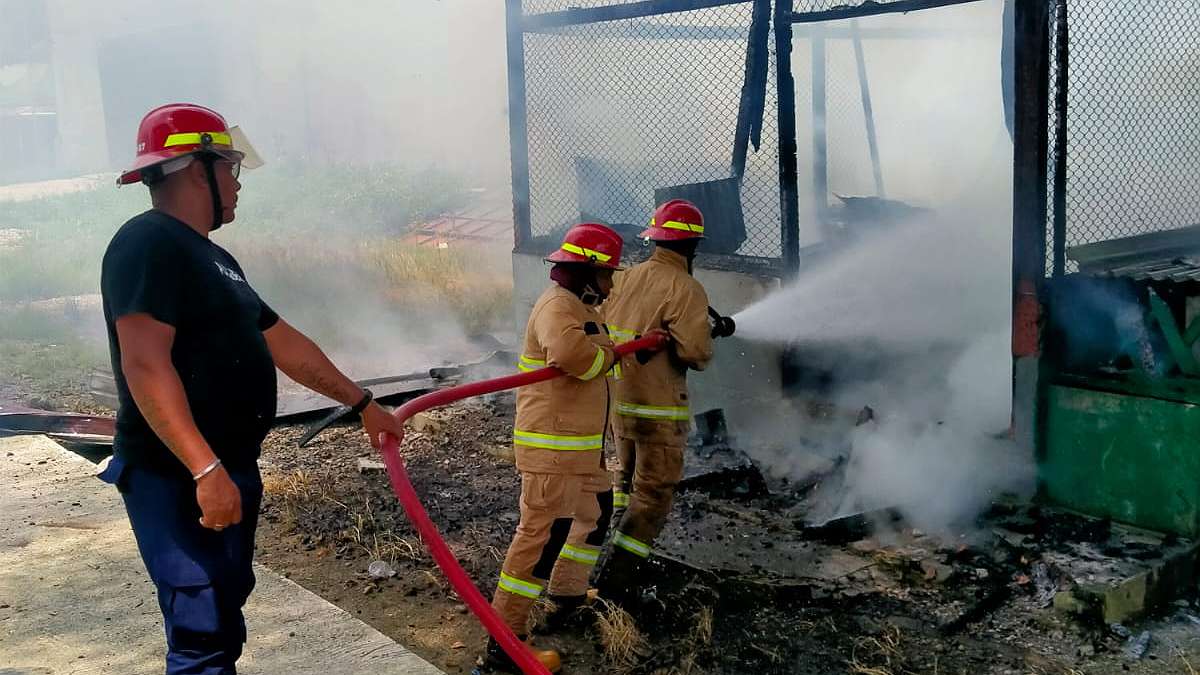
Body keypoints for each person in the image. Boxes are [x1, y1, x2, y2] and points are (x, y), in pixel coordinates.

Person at [98, 103, 403, 675]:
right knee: (201, 628)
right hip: (176, 477)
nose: (237, 185)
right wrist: (204, 470)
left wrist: (362, 403)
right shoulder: (146, 244)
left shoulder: (215, 259)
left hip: (227, 466)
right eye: (231, 168)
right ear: (197, 168)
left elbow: (283, 342)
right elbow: (144, 364)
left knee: (225, 607)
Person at [483, 223, 628, 673]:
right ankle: (506, 646)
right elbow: (572, 356)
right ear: (587, 271)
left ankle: (566, 592)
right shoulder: (558, 307)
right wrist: (612, 355)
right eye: (607, 275)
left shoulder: (577, 305)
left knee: (597, 513)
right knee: (539, 542)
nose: (610, 284)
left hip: (579, 451)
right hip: (555, 452)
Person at [594, 199, 715, 605]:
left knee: (626, 484)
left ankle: (608, 553)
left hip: (620, 403)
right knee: (654, 493)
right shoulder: (686, 288)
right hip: (659, 411)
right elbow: (696, 353)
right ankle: (618, 582)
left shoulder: (625, 278)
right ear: (692, 245)